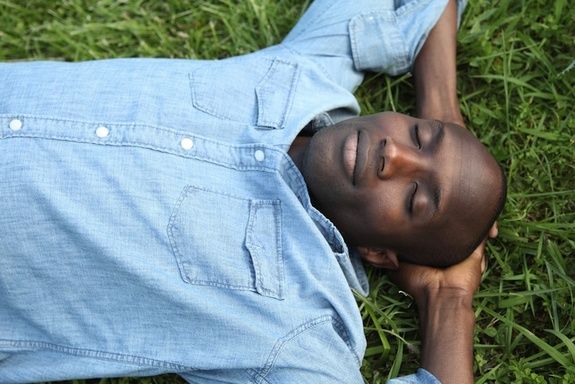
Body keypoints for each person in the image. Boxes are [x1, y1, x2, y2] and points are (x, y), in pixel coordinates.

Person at [0, 0, 505, 383]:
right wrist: (442, 112)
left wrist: (449, 298)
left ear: (378, 252)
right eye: (418, 137)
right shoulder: (309, 73)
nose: (394, 156)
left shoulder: (295, 328)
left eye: (416, 198)